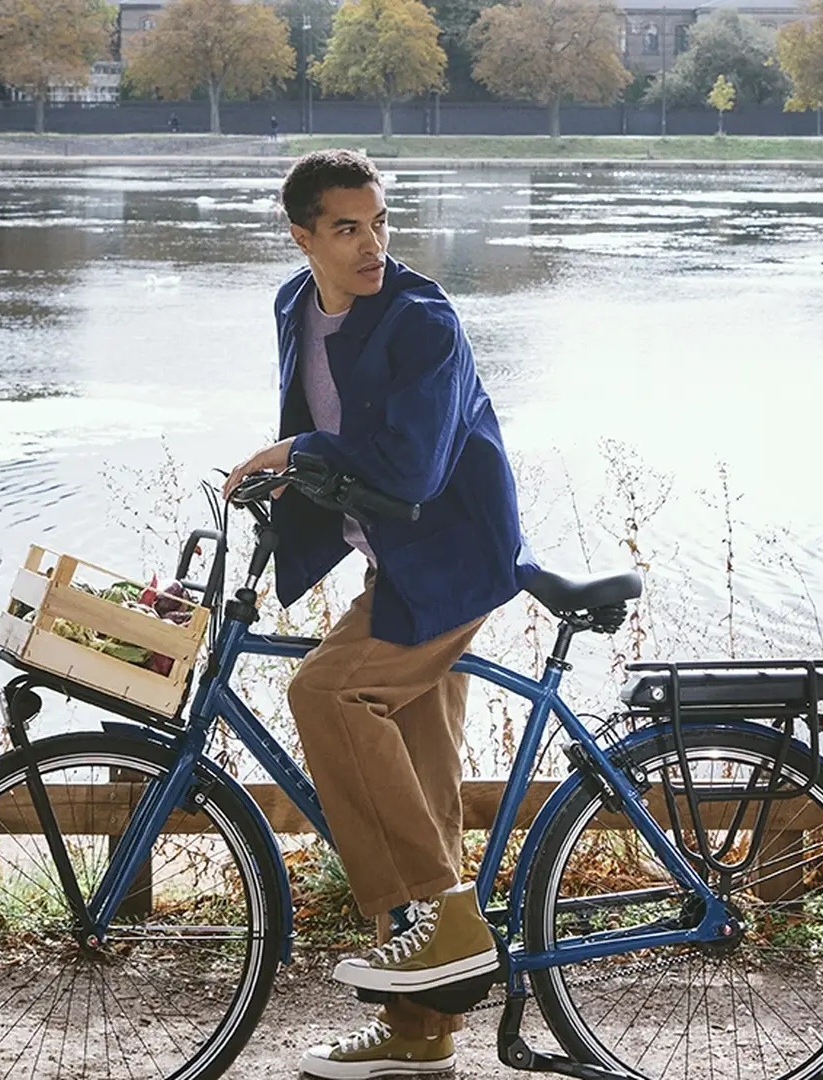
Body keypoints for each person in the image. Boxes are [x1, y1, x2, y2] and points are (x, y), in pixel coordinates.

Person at [223, 149, 537, 1079]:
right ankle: (419, 1032)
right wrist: (279, 498)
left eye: (381, 223)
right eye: (349, 229)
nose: (373, 246)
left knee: (328, 695)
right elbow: (324, 434)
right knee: (416, 788)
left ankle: (448, 916)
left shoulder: (423, 321)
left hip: (451, 562)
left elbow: (407, 467)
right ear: (303, 237)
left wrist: (295, 446)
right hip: (391, 561)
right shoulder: (295, 306)